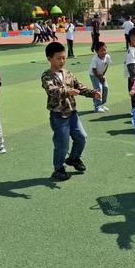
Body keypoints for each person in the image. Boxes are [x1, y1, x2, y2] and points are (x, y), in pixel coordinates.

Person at [41, 42, 101, 181]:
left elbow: (79, 86)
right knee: (62, 144)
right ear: (49, 58)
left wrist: (93, 93)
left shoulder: (68, 73)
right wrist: (68, 91)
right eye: (58, 58)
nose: (62, 61)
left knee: (81, 137)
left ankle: (74, 158)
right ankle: (58, 168)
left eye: (64, 58)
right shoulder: (47, 75)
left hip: (72, 113)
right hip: (58, 115)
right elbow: (52, 90)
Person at [89, 41, 111, 113]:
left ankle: (102, 104)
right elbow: (94, 69)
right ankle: (97, 106)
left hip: (101, 75)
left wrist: (103, 74)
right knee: (98, 89)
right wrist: (99, 77)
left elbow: (106, 65)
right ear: (97, 51)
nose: (104, 52)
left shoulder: (107, 57)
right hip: (94, 75)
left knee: (106, 88)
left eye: (105, 50)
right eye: (102, 50)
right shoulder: (95, 59)